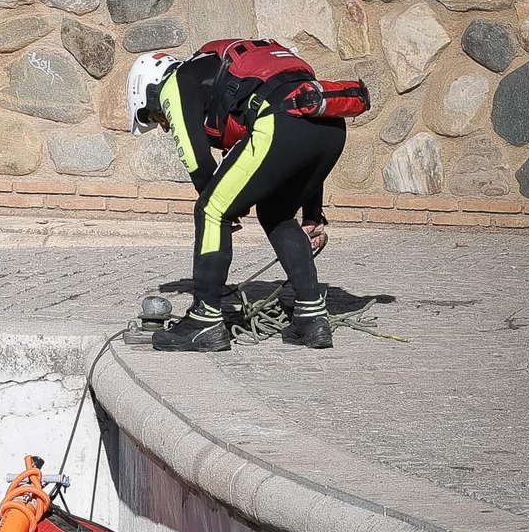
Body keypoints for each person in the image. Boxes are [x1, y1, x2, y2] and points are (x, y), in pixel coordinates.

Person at [126, 40, 362, 352]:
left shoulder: (176, 83)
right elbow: (301, 120)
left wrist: (221, 208)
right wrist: (312, 215)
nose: (164, 126)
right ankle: (311, 317)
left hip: (279, 121)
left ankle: (204, 322)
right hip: (329, 127)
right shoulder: (213, 74)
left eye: (155, 117)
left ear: (152, 91)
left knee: (210, 210)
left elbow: (198, 161)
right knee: (277, 214)